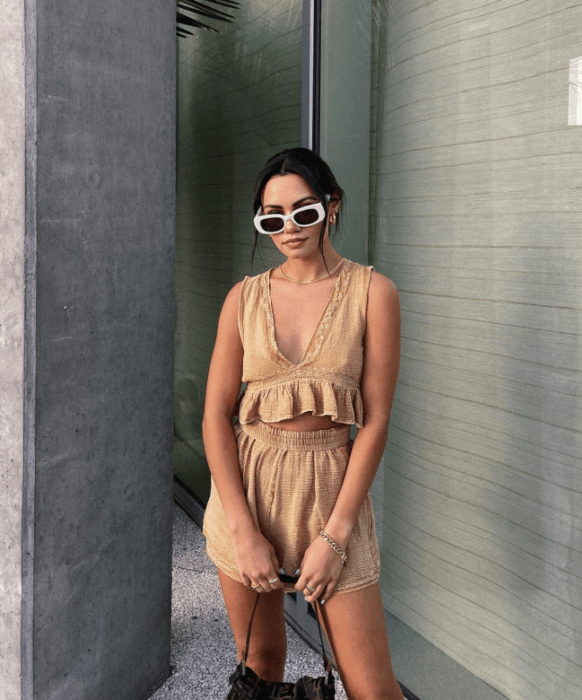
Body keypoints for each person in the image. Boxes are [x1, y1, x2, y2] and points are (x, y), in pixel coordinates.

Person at [201, 147, 403, 700]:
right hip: (248, 493)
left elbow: (376, 420)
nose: (288, 228)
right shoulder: (242, 299)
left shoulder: (373, 293)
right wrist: (242, 532)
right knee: (260, 665)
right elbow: (217, 416)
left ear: (331, 208)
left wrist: (335, 539)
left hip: (331, 496)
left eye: (304, 211)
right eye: (272, 218)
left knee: (371, 688)